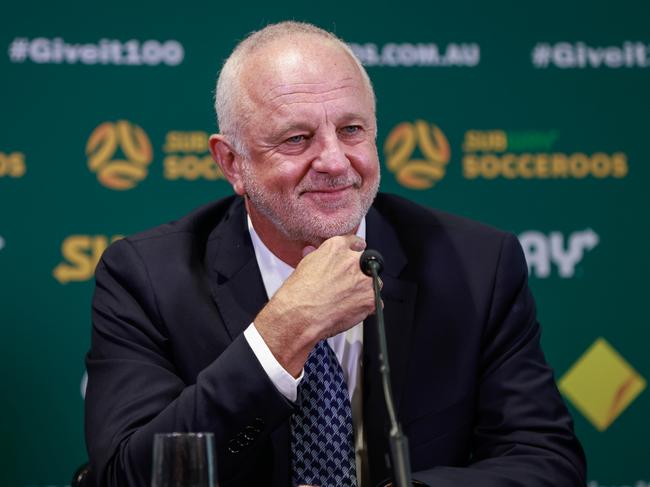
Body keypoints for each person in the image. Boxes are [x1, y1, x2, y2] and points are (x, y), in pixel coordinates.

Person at [85, 21, 586, 487]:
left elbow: (548, 463)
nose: (333, 160)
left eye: (351, 131)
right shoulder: (146, 276)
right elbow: (127, 475)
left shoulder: (478, 266)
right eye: (297, 138)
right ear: (231, 162)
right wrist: (281, 333)